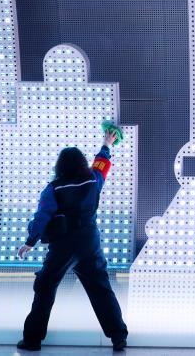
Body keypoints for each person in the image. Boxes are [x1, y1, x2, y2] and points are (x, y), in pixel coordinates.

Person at [16, 131, 128, 352]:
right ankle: (118, 337)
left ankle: (32, 340)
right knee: (101, 290)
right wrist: (106, 143)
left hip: (63, 245)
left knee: (46, 288)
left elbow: (42, 216)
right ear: (81, 164)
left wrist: (30, 241)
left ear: (60, 166)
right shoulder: (92, 181)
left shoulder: (54, 188)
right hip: (89, 243)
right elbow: (102, 164)